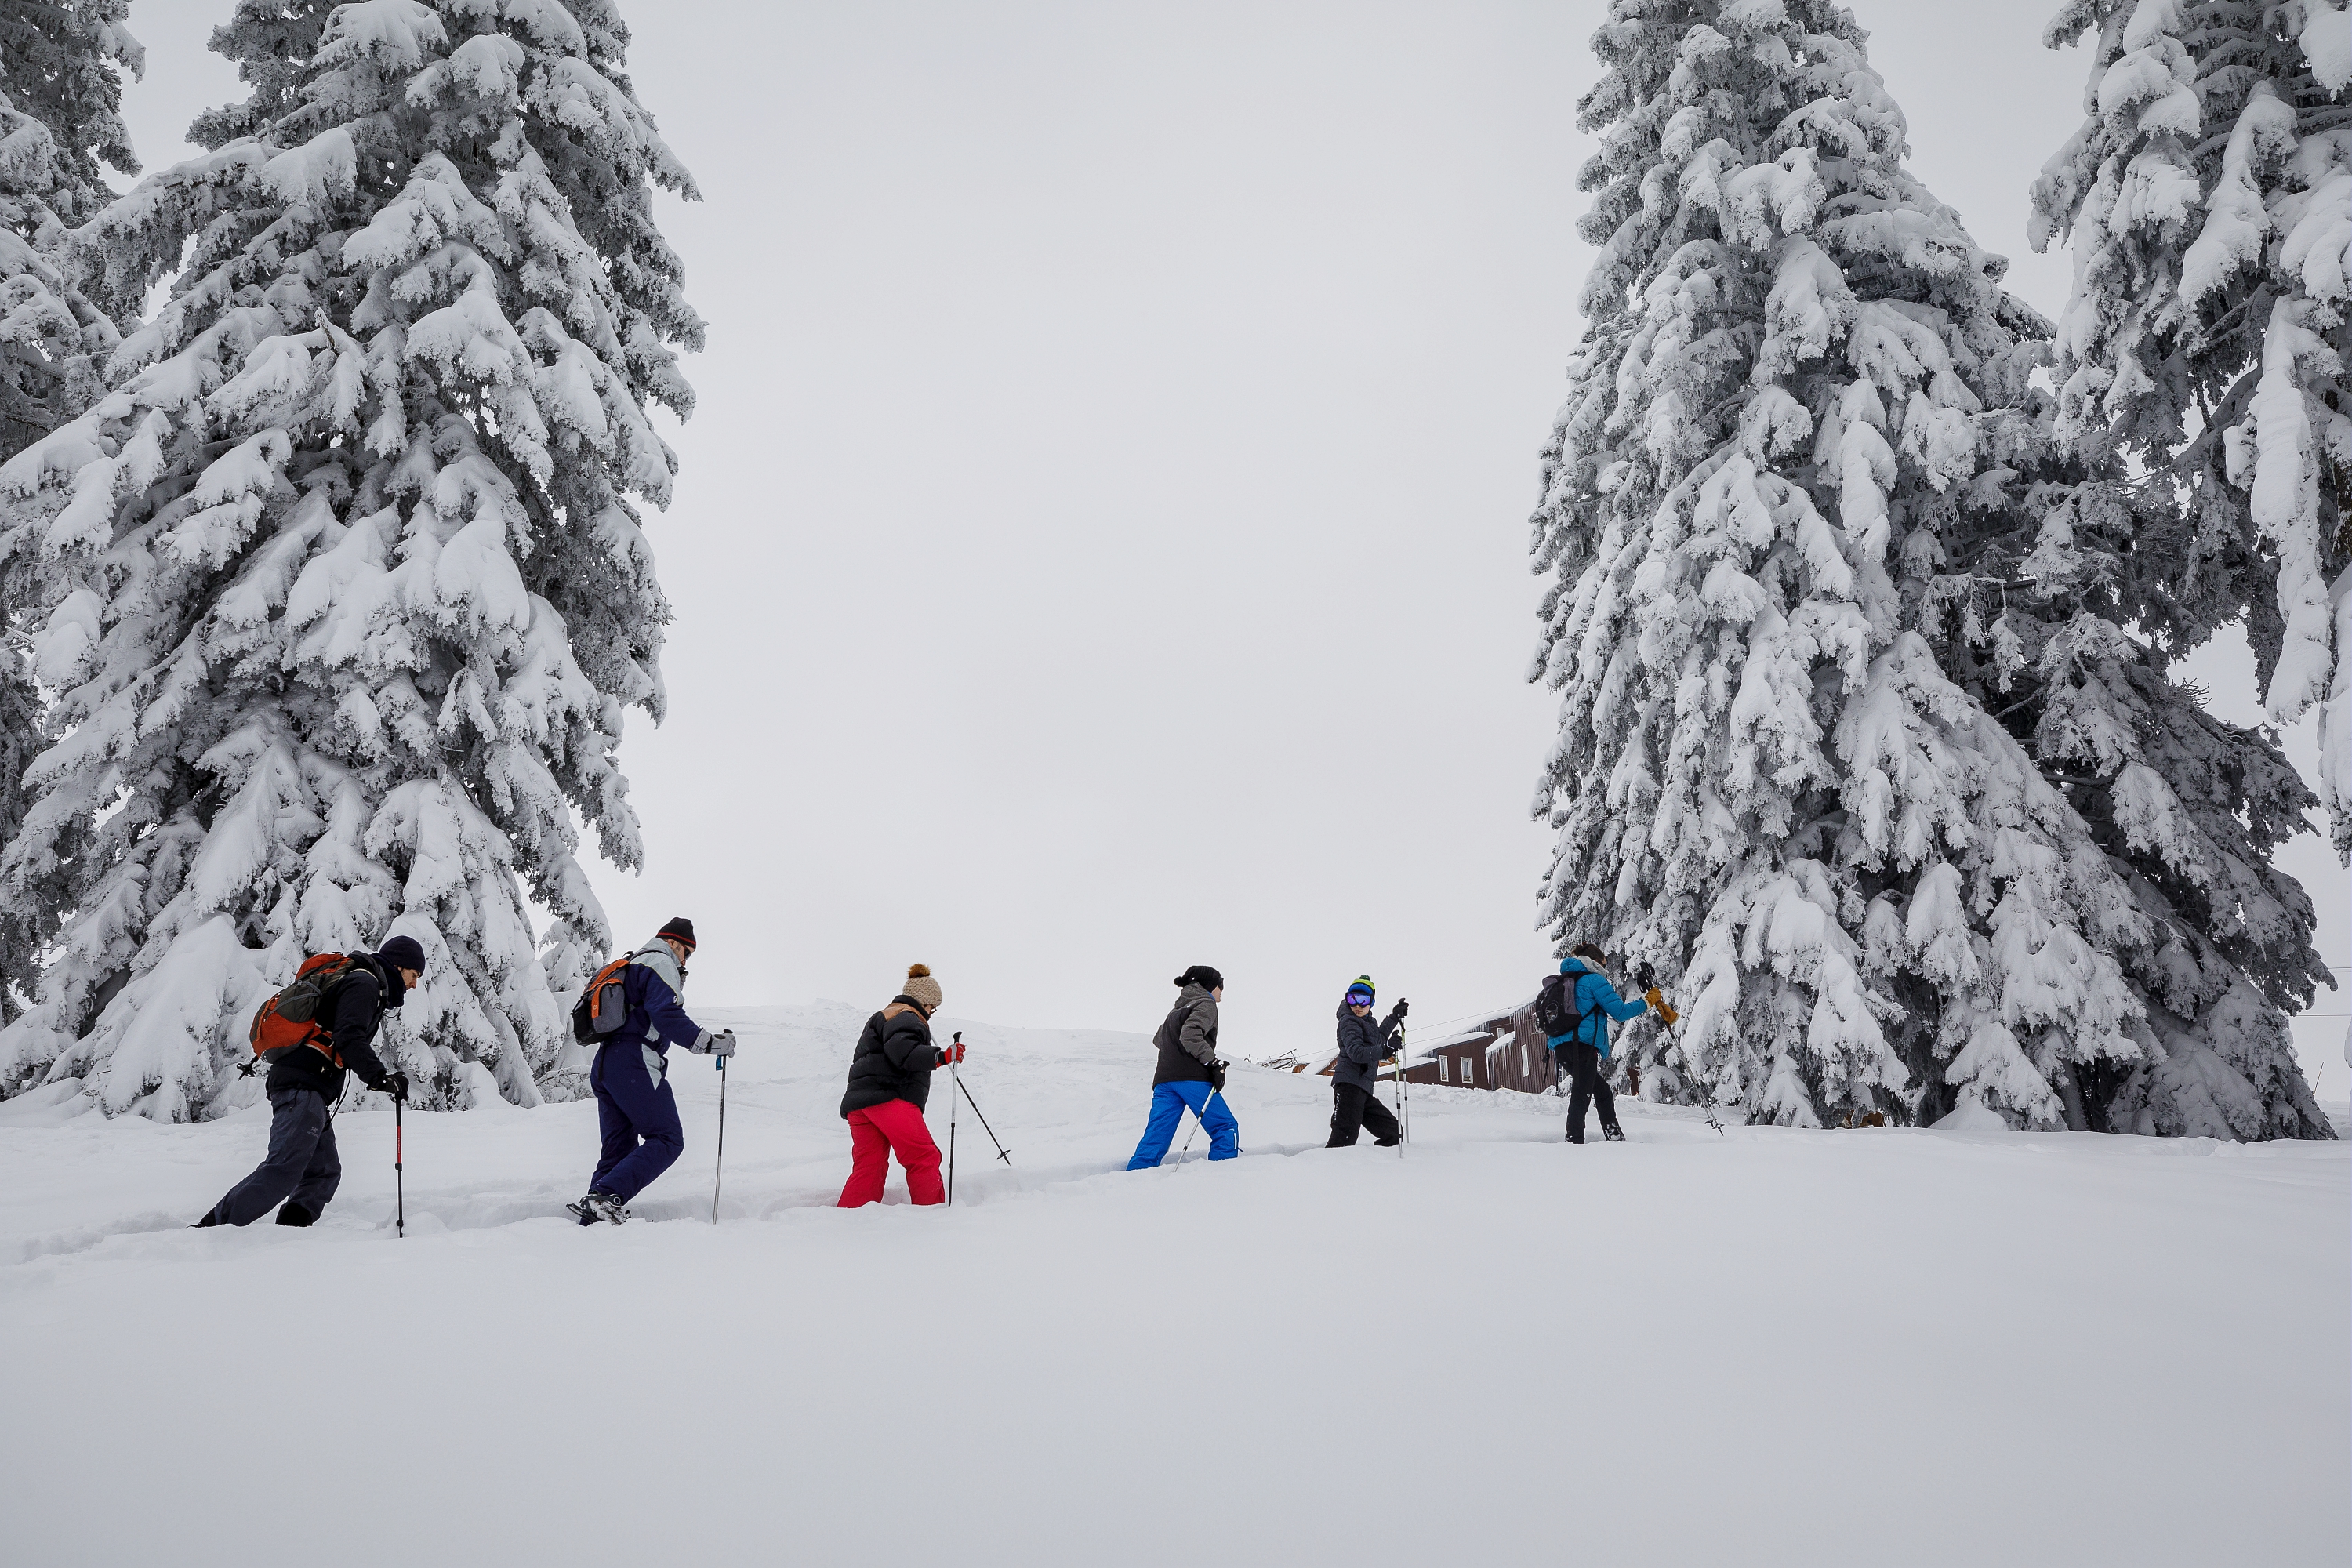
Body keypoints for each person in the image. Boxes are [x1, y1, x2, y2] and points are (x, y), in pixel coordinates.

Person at [195, 935, 424, 1229]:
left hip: (311, 1089)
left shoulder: (367, 985)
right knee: (284, 1169)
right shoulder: (364, 983)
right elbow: (349, 1035)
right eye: (414, 975)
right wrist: (379, 1078)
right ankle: (212, 1230)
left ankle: (292, 1231)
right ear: (398, 965)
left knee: (324, 1171)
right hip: (303, 1086)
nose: (414, 984)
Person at [569, 918, 735, 1225]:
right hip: (634, 1060)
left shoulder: (633, 963)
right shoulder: (661, 960)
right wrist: (709, 1043)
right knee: (668, 1138)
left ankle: (597, 1211)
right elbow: (667, 1014)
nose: (685, 961)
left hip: (607, 1063)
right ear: (673, 943)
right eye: (686, 952)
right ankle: (607, 1196)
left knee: (619, 1146)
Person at [838, 963, 959, 1207]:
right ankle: (933, 1219)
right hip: (889, 1098)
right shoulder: (907, 1017)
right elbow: (904, 1052)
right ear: (921, 1001)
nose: (932, 1012)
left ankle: (850, 1221)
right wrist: (942, 1057)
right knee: (923, 1157)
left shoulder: (887, 1015)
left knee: (869, 1165)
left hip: (861, 1104)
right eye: (932, 1007)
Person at [1544, 944, 1674, 1144]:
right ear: (1595, 961)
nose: (1605, 968)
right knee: (1582, 1094)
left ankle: (1614, 1138)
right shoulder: (1593, 980)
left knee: (1602, 1092)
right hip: (1582, 1047)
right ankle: (1574, 1143)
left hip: (1562, 1048)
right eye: (1604, 963)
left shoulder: (1569, 980)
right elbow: (1620, 1012)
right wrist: (1648, 1001)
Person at [1126, 965, 1238, 1169]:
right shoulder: (1207, 1003)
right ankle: (1224, 1176)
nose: (1222, 990)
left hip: (1164, 1082)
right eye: (1221, 985)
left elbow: (1159, 1039)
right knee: (1225, 1126)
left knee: (1156, 1136)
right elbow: (1190, 1034)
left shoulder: (1175, 1011)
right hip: (1192, 1079)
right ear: (1211, 986)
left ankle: (1137, 1175)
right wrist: (1212, 1064)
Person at [1327, 975, 1407, 1148]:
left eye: (1363, 1000)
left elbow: (1378, 1038)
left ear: (1371, 1003)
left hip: (1362, 1089)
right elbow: (1356, 1052)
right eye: (1352, 999)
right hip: (1349, 1087)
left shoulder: (1368, 1022)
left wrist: (1394, 1017)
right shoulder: (1348, 1021)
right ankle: (1326, 1172)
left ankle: (1373, 1170)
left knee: (1394, 1134)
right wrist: (1386, 1050)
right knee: (1343, 1142)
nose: (1357, 1005)